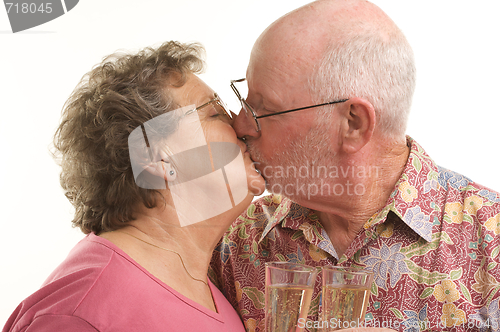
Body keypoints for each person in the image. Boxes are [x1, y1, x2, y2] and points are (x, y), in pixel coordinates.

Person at [209, 0, 500, 331]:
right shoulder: (233, 241)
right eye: (245, 100)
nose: (241, 126)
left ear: (353, 123)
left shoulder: (492, 243)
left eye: (262, 108)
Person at [3, 41, 265, 332]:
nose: (242, 126)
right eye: (214, 114)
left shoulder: (209, 292)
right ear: (157, 159)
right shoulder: (79, 314)